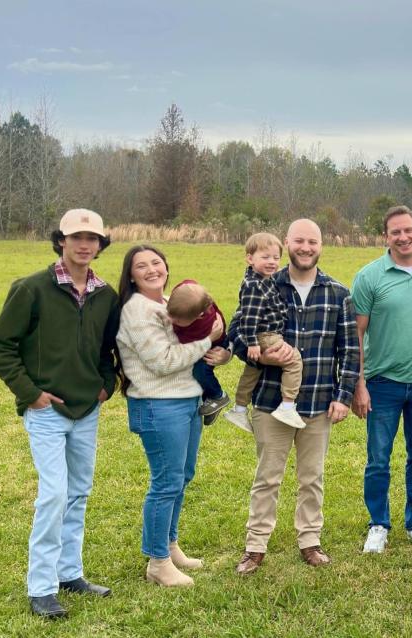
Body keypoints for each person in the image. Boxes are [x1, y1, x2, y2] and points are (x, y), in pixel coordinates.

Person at [0, 209, 118, 619]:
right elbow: (2, 346)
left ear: (100, 245)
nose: (85, 244)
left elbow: (107, 351)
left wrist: (106, 384)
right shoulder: (31, 288)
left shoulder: (106, 295)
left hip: (87, 408)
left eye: (93, 238)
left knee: (79, 492)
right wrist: (30, 394)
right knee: (54, 495)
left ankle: (70, 574)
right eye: (76, 237)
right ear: (60, 240)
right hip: (47, 410)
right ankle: (41, 588)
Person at [231, 219, 360, 573]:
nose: (305, 247)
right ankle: (255, 545)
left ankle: (310, 540)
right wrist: (256, 352)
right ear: (287, 242)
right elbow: (236, 332)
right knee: (267, 476)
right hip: (272, 401)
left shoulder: (337, 293)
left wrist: (343, 396)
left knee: (312, 477)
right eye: (299, 240)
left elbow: (349, 350)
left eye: (312, 241)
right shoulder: (265, 284)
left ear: (322, 245)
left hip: (319, 402)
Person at [116, 245, 230, 587]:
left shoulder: (170, 302)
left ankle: (170, 544)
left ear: (166, 266)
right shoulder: (137, 310)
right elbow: (163, 361)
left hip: (187, 401)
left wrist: (219, 353)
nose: (151, 269)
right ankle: (157, 561)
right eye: (141, 265)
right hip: (158, 404)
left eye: (156, 262)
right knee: (166, 482)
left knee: (182, 477)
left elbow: (196, 346)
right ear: (131, 274)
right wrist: (208, 339)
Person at [352, 205, 412, 553]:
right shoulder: (370, 276)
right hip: (382, 383)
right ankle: (378, 523)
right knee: (378, 457)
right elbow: (356, 335)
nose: (403, 237)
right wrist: (358, 383)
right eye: (396, 232)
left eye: (408, 230)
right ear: (386, 237)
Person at [224, 232, 305, 432]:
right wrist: (252, 343)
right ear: (250, 258)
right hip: (266, 335)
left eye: (276, 258)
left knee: (253, 370)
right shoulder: (254, 285)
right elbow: (249, 317)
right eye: (265, 257)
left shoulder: (264, 280)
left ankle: (240, 408)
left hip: (263, 335)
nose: (272, 262)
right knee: (294, 360)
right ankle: (287, 405)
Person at [167, 280, 230, 425]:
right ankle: (207, 400)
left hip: (212, 346)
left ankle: (217, 396)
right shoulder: (186, 290)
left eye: (177, 320)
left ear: (198, 315)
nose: (171, 320)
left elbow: (183, 348)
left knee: (199, 371)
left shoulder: (204, 325)